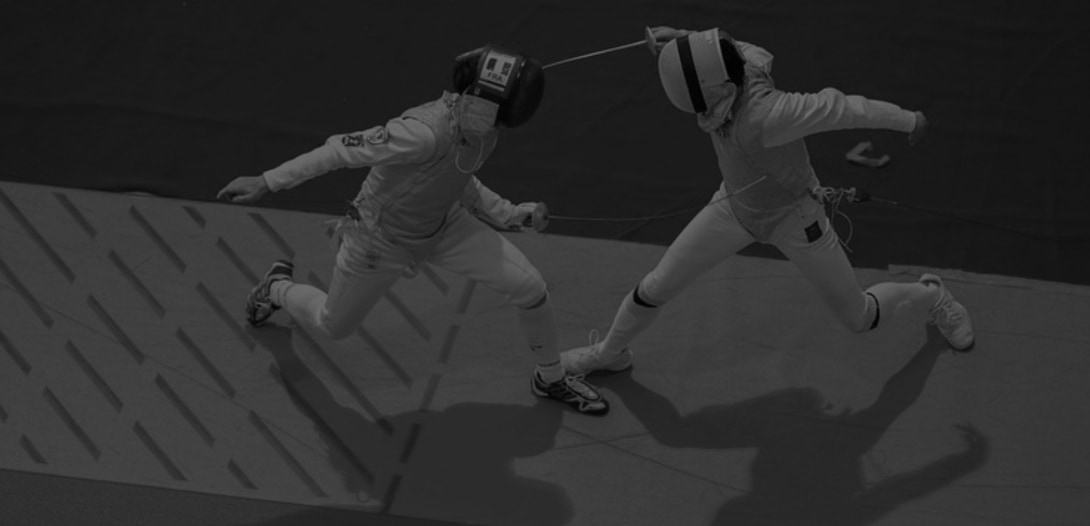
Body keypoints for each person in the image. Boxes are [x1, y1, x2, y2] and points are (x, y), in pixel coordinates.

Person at [217, 45, 609, 415]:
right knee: (332, 325)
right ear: (481, 97)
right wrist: (267, 181)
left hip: (443, 221)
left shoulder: (485, 127)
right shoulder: (422, 132)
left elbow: (459, 176)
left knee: (530, 287)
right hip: (379, 239)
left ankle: (551, 377)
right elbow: (339, 150)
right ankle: (276, 288)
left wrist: (510, 214)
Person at [561, 26, 974, 375]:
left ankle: (933, 295)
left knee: (860, 317)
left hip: (795, 219)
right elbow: (728, 47)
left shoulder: (771, 116)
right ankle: (610, 353)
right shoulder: (740, 64)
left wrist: (908, 119)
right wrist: (683, 40)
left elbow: (843, 109)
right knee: (656, 285)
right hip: (734, 206)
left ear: (721, 89)